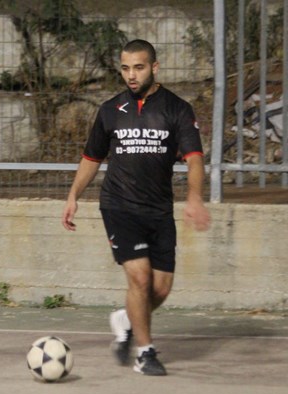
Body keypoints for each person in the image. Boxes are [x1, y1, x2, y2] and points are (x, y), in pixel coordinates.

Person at [61, 39, 211, 376]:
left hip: (158, 209)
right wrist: (73, 196)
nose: (131, 74)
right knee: (140, 279)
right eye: (125, 68)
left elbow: (195, 160)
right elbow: (91, 158)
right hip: (118, 206)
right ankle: (145, 353)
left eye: (139, 67)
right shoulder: (110, 110)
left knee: (160, 288)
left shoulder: (177, 109)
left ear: (154, 68)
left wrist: (195, 197)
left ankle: (126, 318)